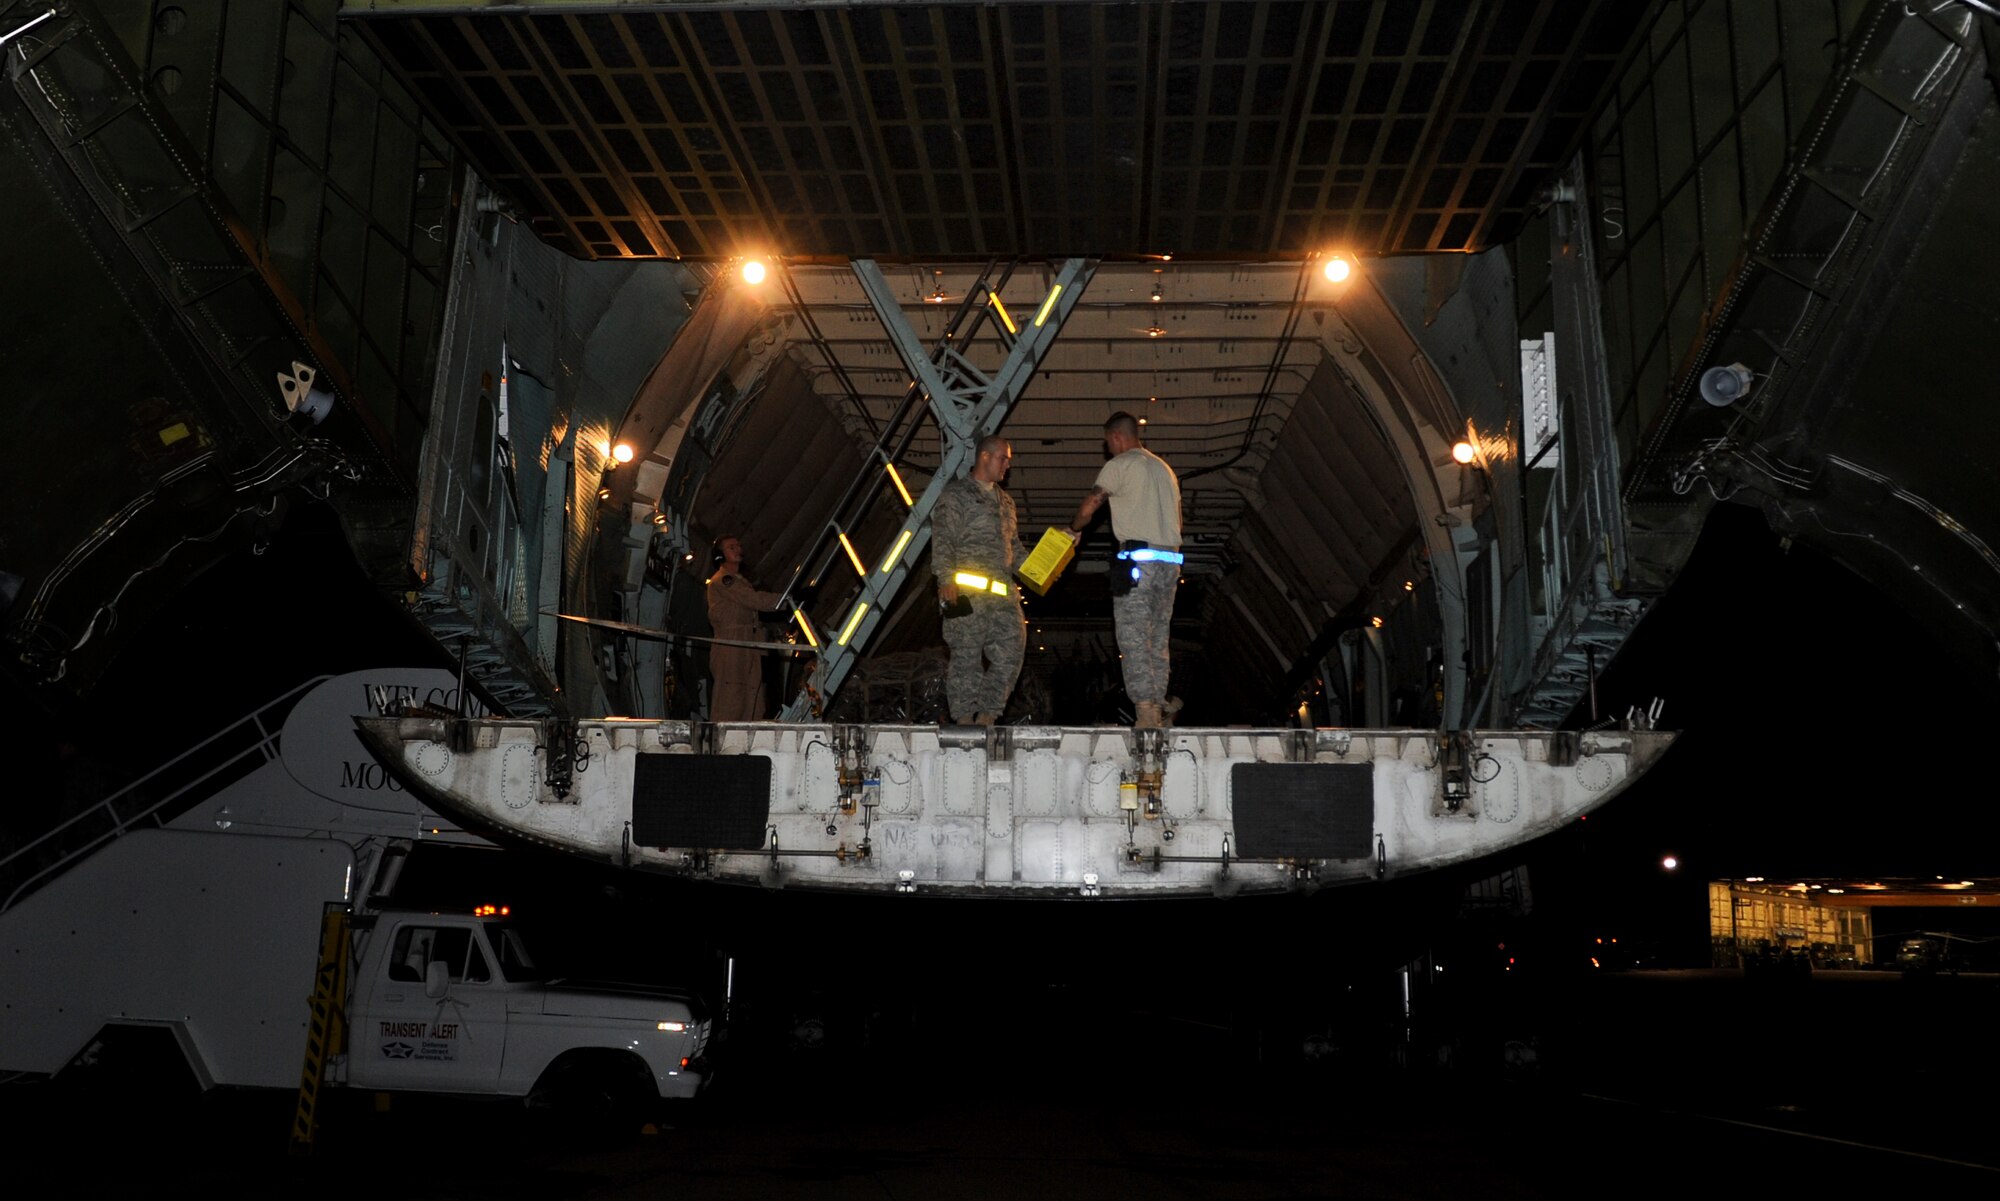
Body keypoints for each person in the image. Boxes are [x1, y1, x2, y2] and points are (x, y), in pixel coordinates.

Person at [1066, 412, 1183, 727]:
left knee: (1133, 638)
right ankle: (1159, 707)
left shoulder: (1120, 465)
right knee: (1158, 639)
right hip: (1170, 562)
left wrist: (1073, 528)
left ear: (1116, 436)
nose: (1109, 448)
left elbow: (1092, 503)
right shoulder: (1164, 469)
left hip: (1139, 562)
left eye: (1108, 442)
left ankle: (1145, 711)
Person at [931, 434, 1026, 725]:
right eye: (1003, 457)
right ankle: (963, 719)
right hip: (967, 594)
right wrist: (945, 579)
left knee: (1013, 649)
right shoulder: (956, 495)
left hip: (1002, 594)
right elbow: (944, 538)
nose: (1008, 464)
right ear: (984, 456)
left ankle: (987, 715)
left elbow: (1015, 549)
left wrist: (1041, 569)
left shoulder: (1006, 502)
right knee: (966, 658)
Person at [705, 535, 784, 722]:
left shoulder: (739, 581)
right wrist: (787, 599)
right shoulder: (723, 581)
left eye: (738, 545)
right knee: (731, 696)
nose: (738, 549)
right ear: (720, 556)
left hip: (747, 644)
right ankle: (723, 743)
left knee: (751, 695)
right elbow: (754, 600)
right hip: (731, 645)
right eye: (731, 547)